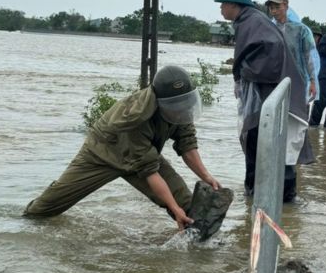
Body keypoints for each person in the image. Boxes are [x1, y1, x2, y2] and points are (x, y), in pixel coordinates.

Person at [23, 65, 220, 231]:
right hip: (102, 154)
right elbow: (150, 172)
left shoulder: (181, 108)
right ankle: (21, 225)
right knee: (45, 208)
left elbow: (187, 144)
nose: (180, 109)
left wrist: (206, 176)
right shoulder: (135, 118)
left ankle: (199, 237)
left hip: (143, 155)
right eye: (174, 105)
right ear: (158, 102)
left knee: (185, 202)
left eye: (183, 103)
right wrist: (172, 207)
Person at [213, 0, 308, 198]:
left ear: (232, 5)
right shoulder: (250, 20)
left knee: (259, 143)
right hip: (270, 93)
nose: (220, 10)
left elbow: (272, 50)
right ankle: (273, 199)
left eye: (222, 5)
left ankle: (259, 195)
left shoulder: (252, 21)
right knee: (272, 144)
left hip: (267, 94)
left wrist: (247, 73)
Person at [265, 0, 320, 201]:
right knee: (274, 131)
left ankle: (289, 190)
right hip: (274, 86)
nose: (274, 10)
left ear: (286, 6)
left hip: (297, 84)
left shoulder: (301, 30)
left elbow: (308, 58)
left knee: (295, 131)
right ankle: (273, 184)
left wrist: (313, 82)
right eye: (271, 6)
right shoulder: (268, 29)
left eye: (277, 6)